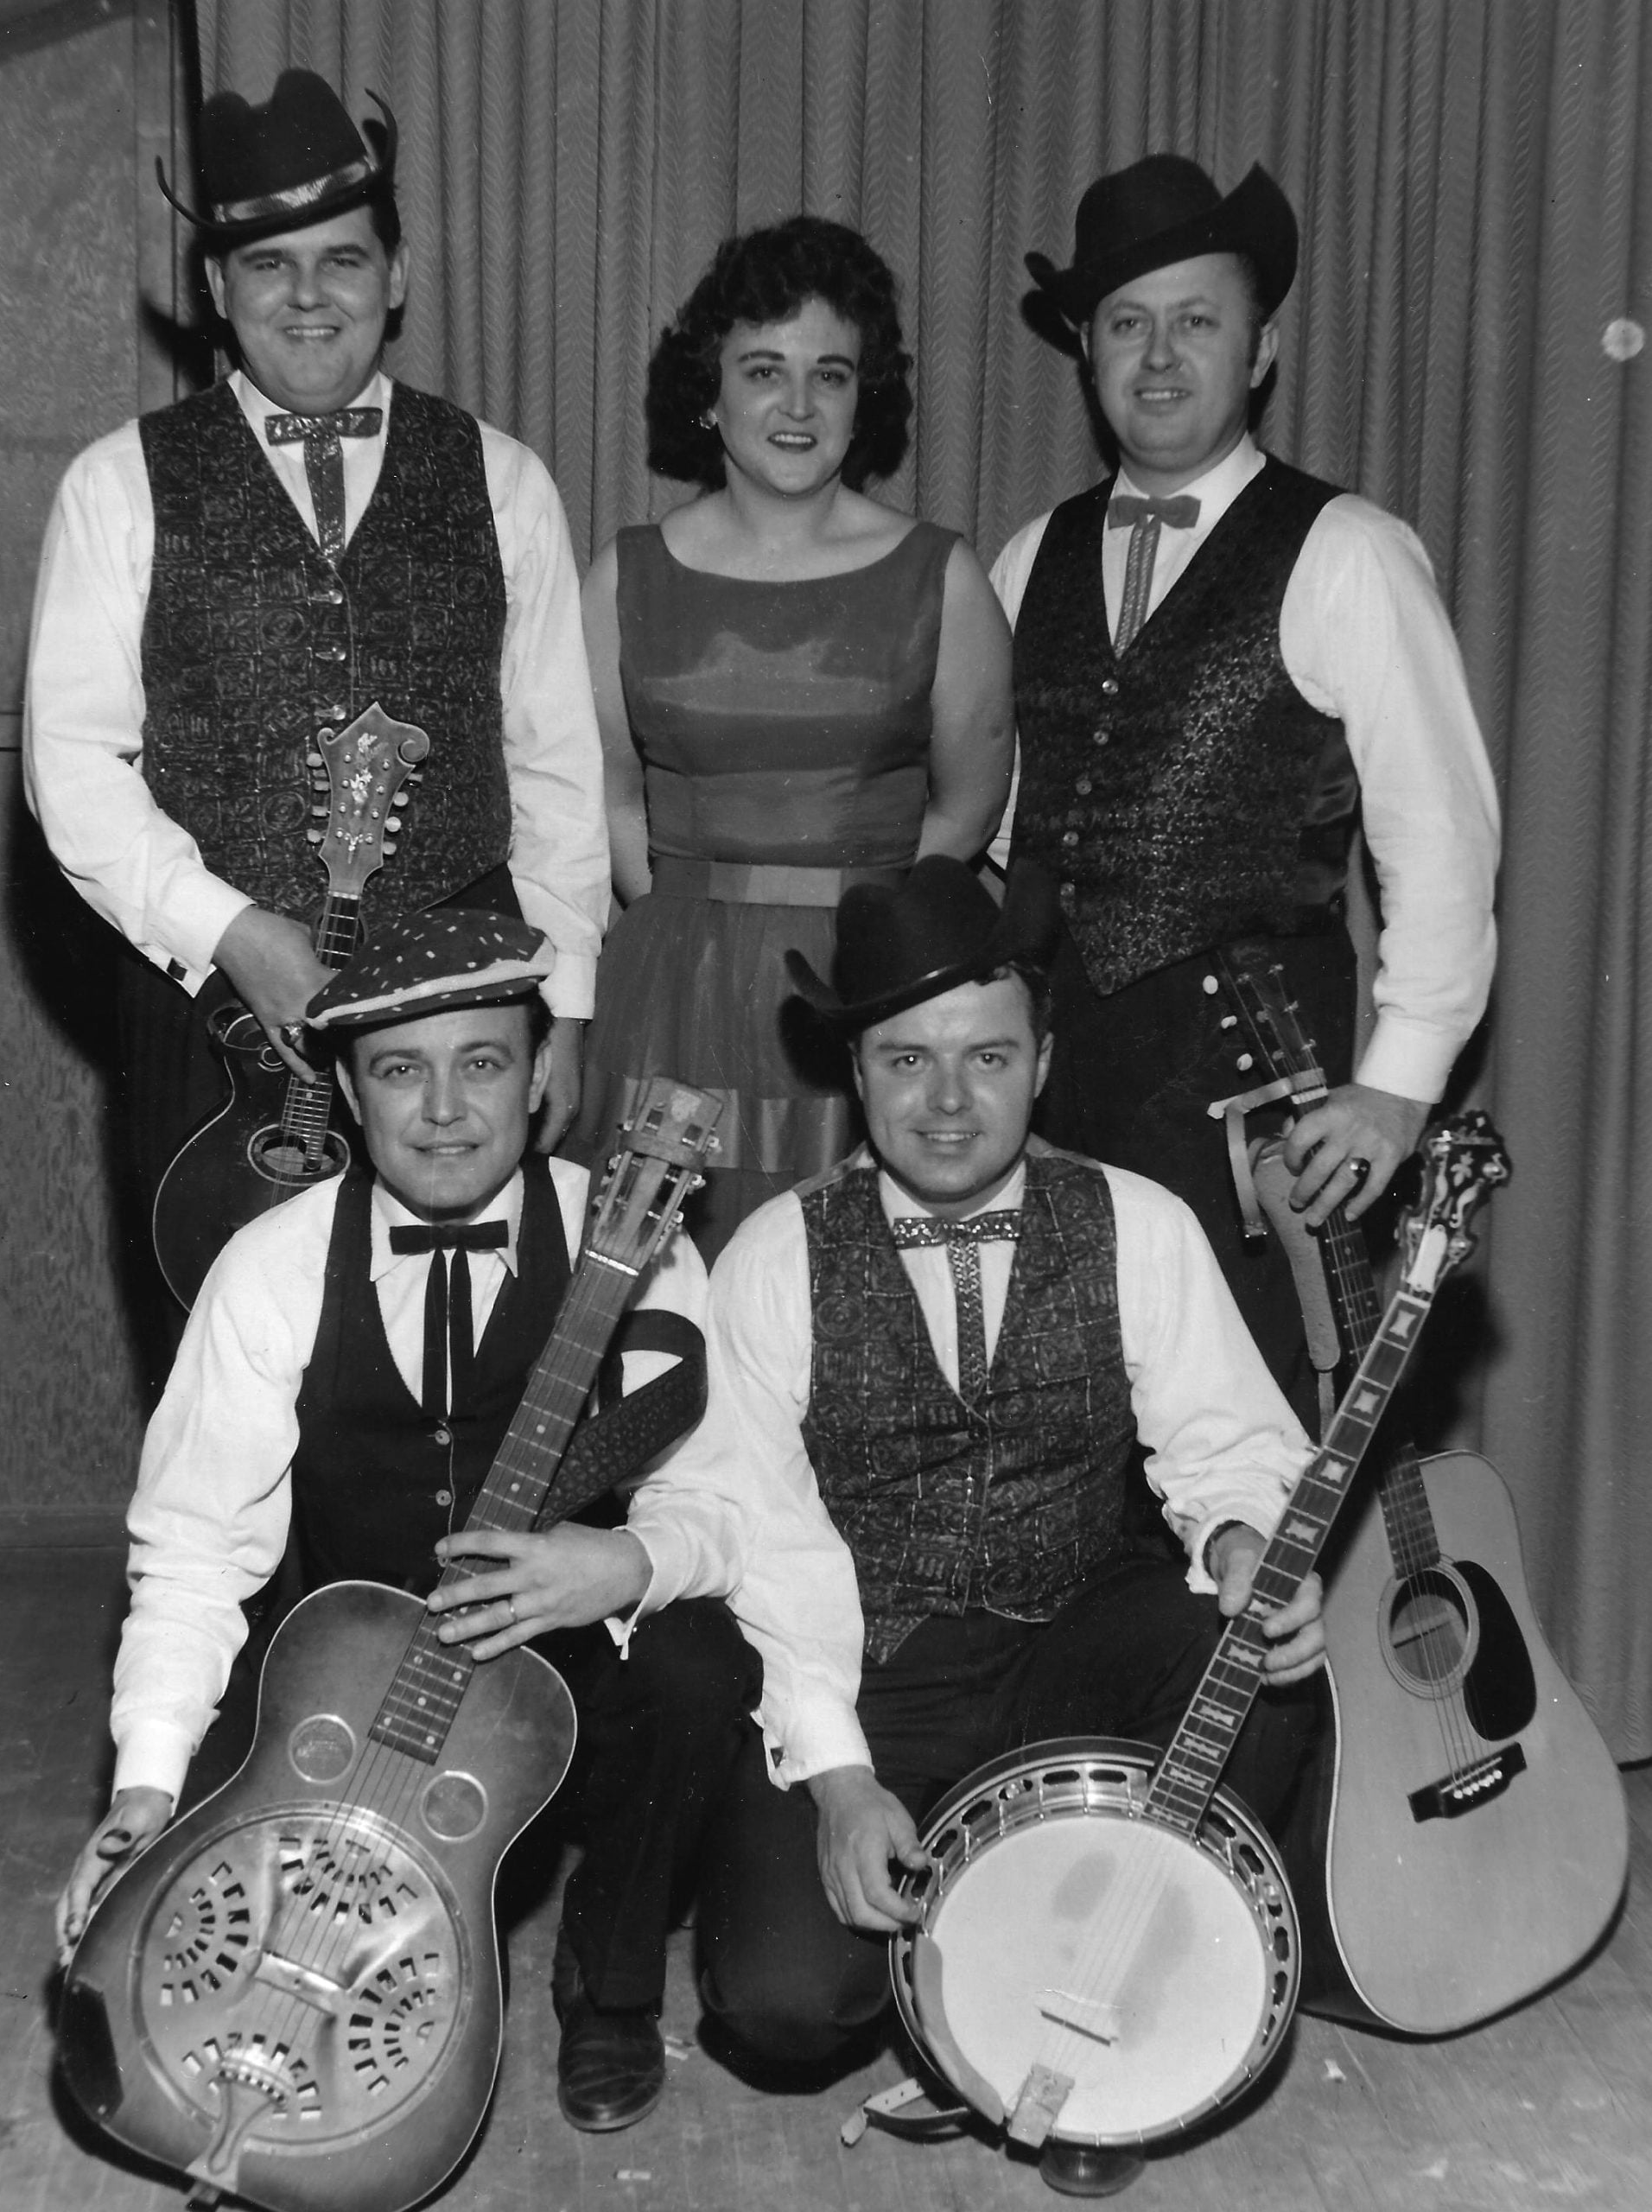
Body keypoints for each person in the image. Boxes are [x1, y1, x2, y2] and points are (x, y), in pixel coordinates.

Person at [656, 857, 1325, 2196]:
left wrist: (1243, 1542)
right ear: (855, 1073)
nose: (948, 1101)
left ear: (1043, 1062)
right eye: (907, 1060)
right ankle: (962, 1940)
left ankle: (1099, 2006)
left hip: (1065, 1643)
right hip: (864, 1670)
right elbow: (747, 1530)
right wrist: (836, 1783)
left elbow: (1227, 1441)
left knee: (1252, 1662)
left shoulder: (1137, 1222)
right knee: (784, 2002)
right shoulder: (774, 1254)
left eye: (987, 1057)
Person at [55, 908, 759, 2137]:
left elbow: (725, 1500)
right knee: (192, 1968)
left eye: (480, 1062)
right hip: (339, 1679)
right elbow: (195, 1550)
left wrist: (622, 1560)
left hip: (568, 1669)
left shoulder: (630, 1237)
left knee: (700, 1668)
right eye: (398, 1071)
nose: (441, 1111)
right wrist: (147, 1785)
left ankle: (606, 1981)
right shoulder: (270, 1265)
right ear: (345, 1090)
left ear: (539, 1074)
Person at [24, 70, 607, 1273]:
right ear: (214, 288)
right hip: (208, 1010)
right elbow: (70, 767)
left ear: (396, 275)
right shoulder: (116, 484)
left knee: (448, 1332)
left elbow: (556, 764)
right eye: (267, 265)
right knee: (218, 1328)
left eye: (341, 260)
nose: (305, 296)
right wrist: (233, 931)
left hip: (461, 1012)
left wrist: (568, 1002)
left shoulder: (505, 480)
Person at [989, 156, 1499, 1416]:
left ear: (1260, 350)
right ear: (1087, 353)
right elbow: (1005, 833)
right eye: (1126, 323)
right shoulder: (1027, 557)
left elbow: (1440, 838)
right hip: (1058, 1080)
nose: (1158, 356)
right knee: (1061, 1433)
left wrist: (1397, 1088)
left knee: (1252, 1435)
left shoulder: (1349, 552)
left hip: (1254, 1092)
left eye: (1196, 321)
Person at [570, 215, 1013, 1259]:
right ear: (710, 390)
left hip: (866, 988)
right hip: (672, 984)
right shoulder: (625, 574)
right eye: (764, 370)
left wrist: (864, 929)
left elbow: (968, 806)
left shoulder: (944, 576)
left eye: (832, 375)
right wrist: (696, 917)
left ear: (866, 398)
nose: (799, 406)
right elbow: (609, 797)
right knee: (660, 1292)